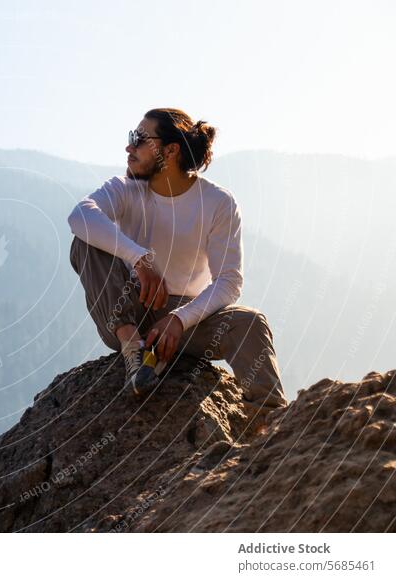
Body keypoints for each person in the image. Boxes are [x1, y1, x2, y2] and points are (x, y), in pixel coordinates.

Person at [67, 108, 288, 415]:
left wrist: (179, 318)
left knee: (250, 323)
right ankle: (135, 353)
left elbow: (229, 280)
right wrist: (139, 259)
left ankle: (271, 426)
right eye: (132, 137)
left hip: (186, 323)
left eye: (140, 139)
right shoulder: (124, 188)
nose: (129, 147)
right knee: (85, 240)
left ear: (170, 151)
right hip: (125, 311)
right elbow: (79, 217)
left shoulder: (218, 203)